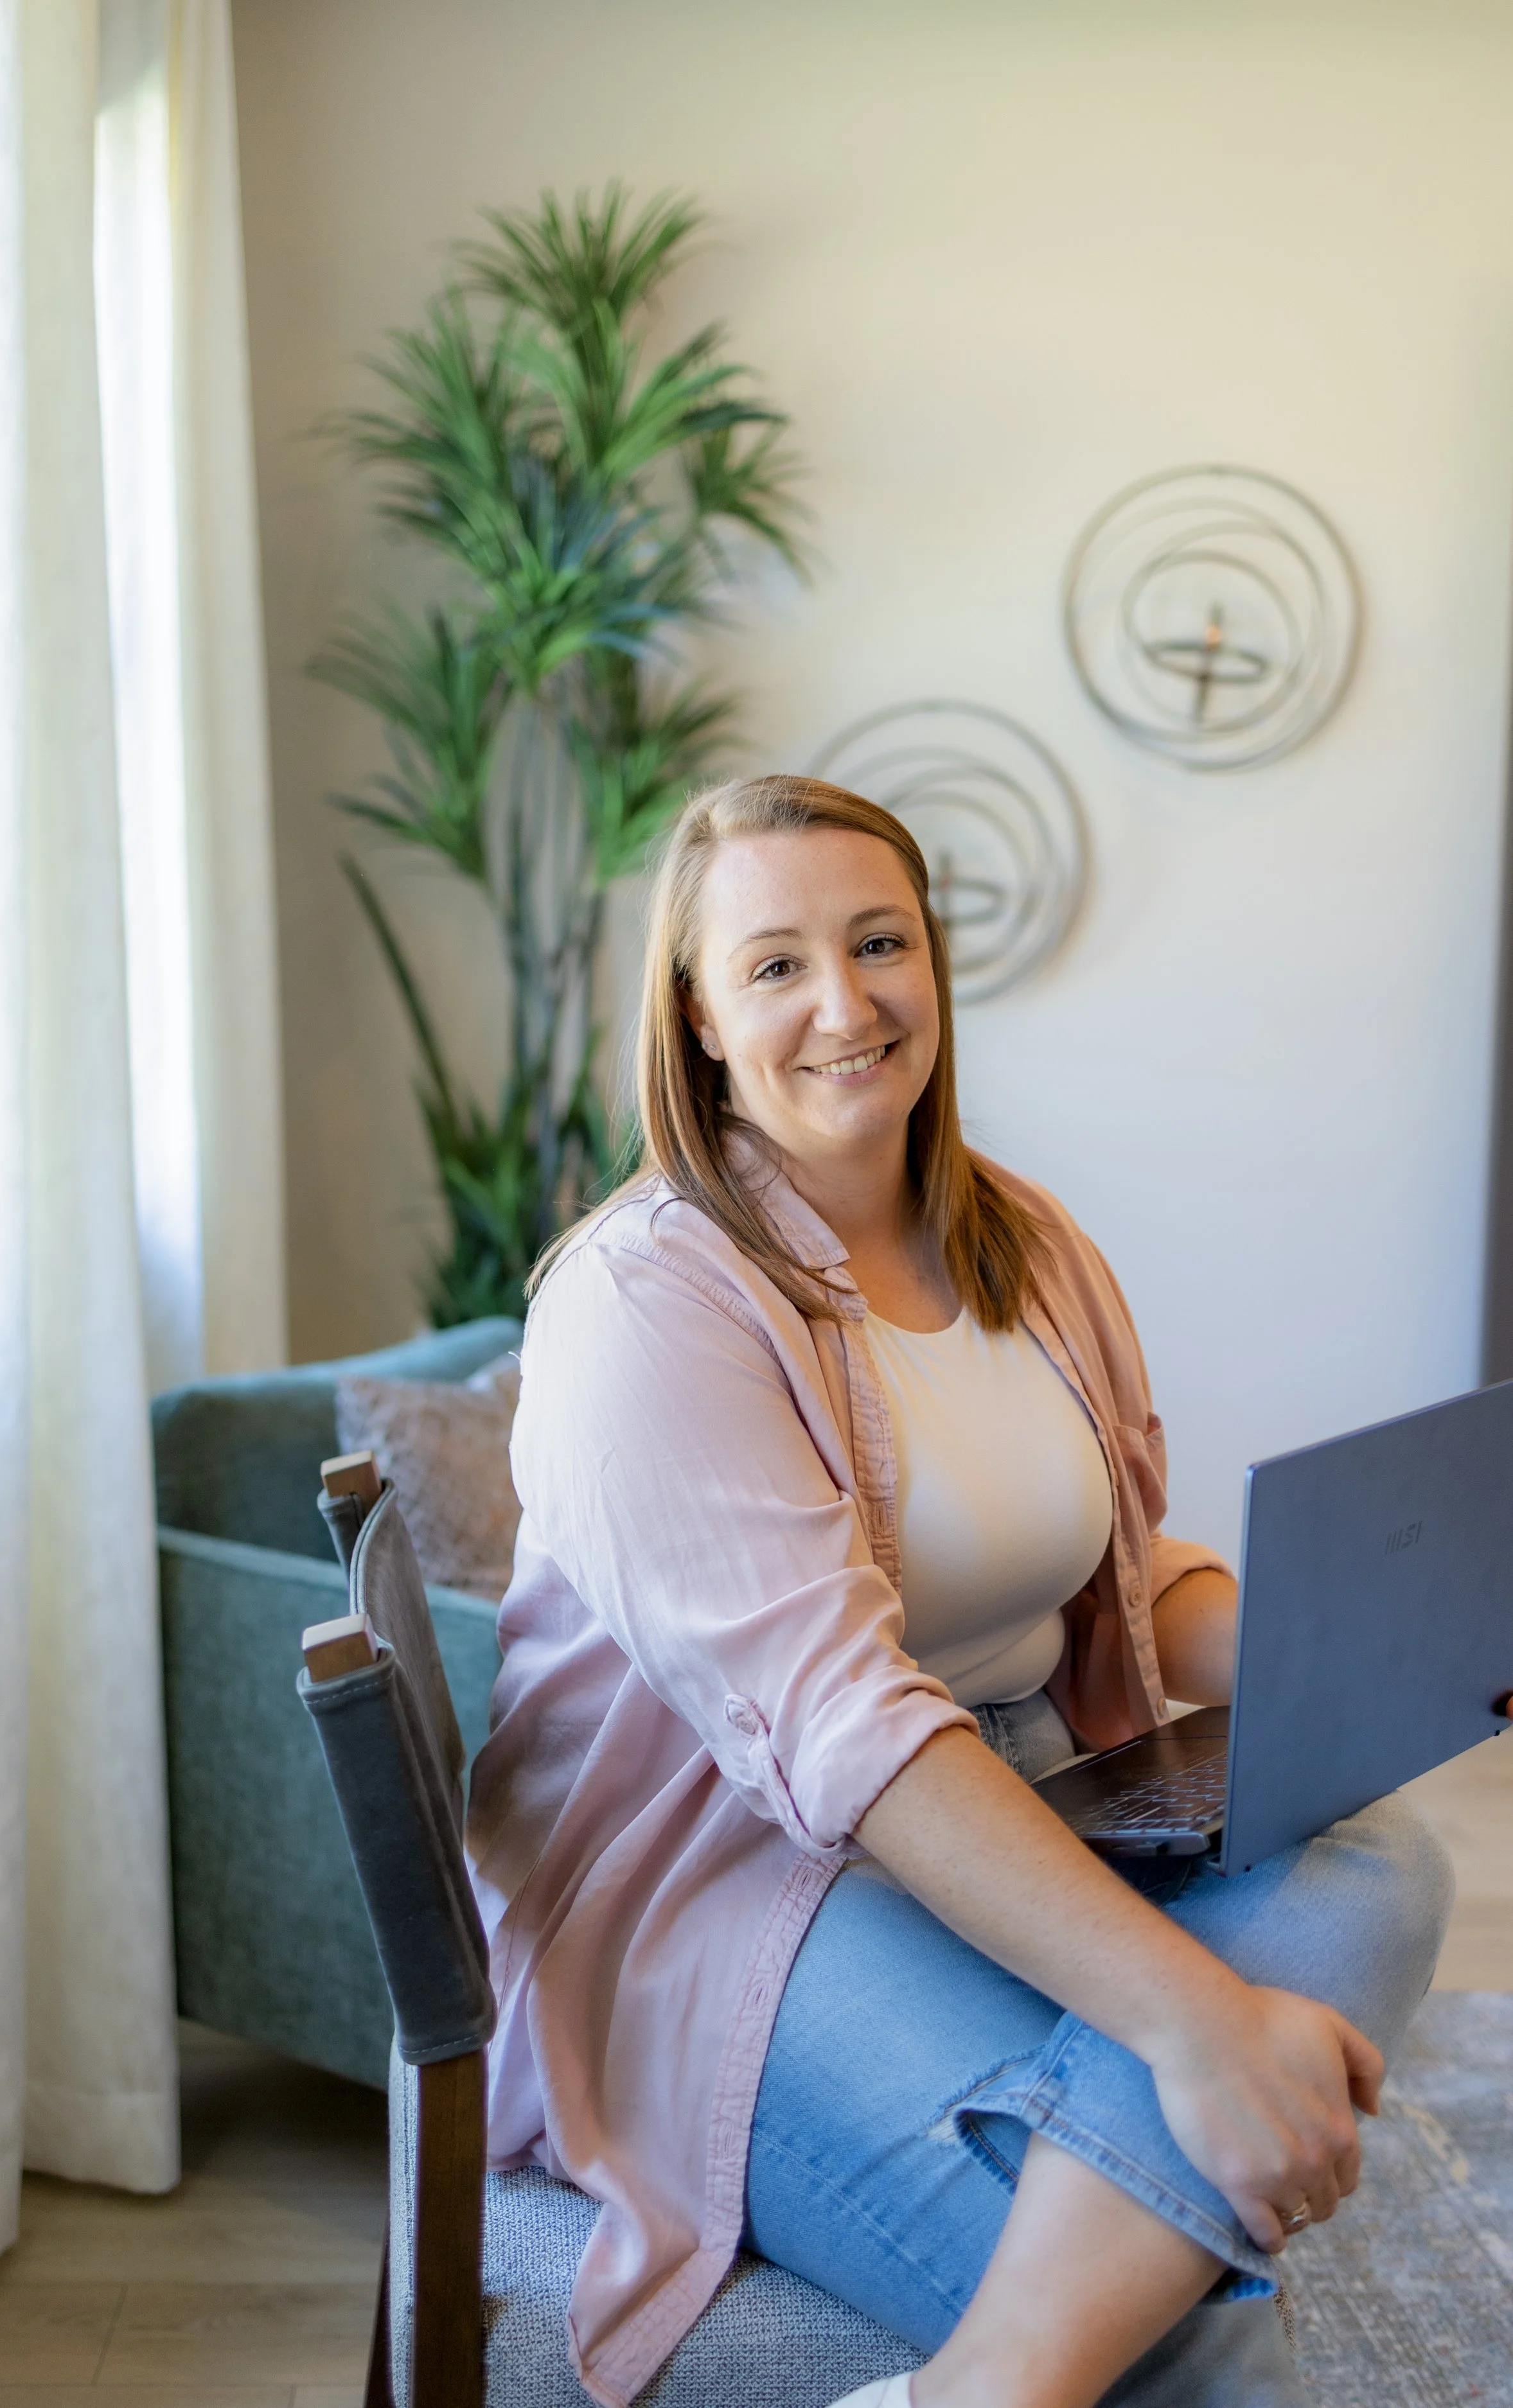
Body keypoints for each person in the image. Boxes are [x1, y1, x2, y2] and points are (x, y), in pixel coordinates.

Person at [466, 775, 1453, 2408]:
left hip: (1027, 1806)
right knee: (1181, 2296)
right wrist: (1197, 2022)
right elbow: (845, 1733)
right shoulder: (642, 1303)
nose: (842, 1003)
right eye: (772, 964)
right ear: (697, 1016)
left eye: (877, 943)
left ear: (932, 963)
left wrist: (1378, 1642)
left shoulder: (1021, 1241)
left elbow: (1123, 1581)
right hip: (731, 1896)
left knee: (1371, 1863)